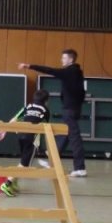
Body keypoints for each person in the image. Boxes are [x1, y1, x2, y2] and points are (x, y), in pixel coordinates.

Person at [18, 49, 87, 177]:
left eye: (64, 58)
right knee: (65, 134)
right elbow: (82, 93)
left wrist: (29, 66)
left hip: (70, 110)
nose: (62, 60)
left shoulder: (69, 71)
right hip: (74, 108)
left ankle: (80, 168)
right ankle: (52, 160)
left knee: (74, 137)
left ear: (70, 59)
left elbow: (50, 70)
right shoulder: (78, 72)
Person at [0, 89, 50, 197]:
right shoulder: (45, 110)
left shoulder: (28, 106)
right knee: (24, 165)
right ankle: (7, 183)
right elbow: (46, 128)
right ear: (46, 101)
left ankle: (14, 182)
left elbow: (14, 119)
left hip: (21, 136)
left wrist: (4, 130)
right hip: (31, 138)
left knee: (23, 161)